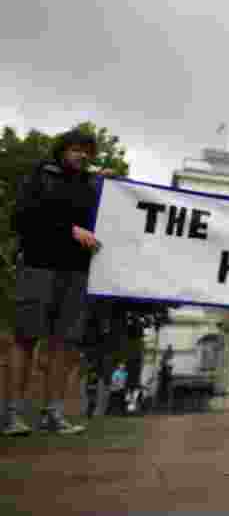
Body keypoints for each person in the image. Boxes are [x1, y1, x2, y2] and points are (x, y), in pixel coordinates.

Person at [3, 129, 109, 436]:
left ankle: (53, 414)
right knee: (25, 338)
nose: (83, 155)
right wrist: (69, 231)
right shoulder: (41, 175)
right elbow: (21, 216)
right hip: (38, 265)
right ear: (63, 149)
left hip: (76, 271)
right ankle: (12, 414)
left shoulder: (90, 185)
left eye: (88, 151)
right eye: (77, 149)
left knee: (64, 344)